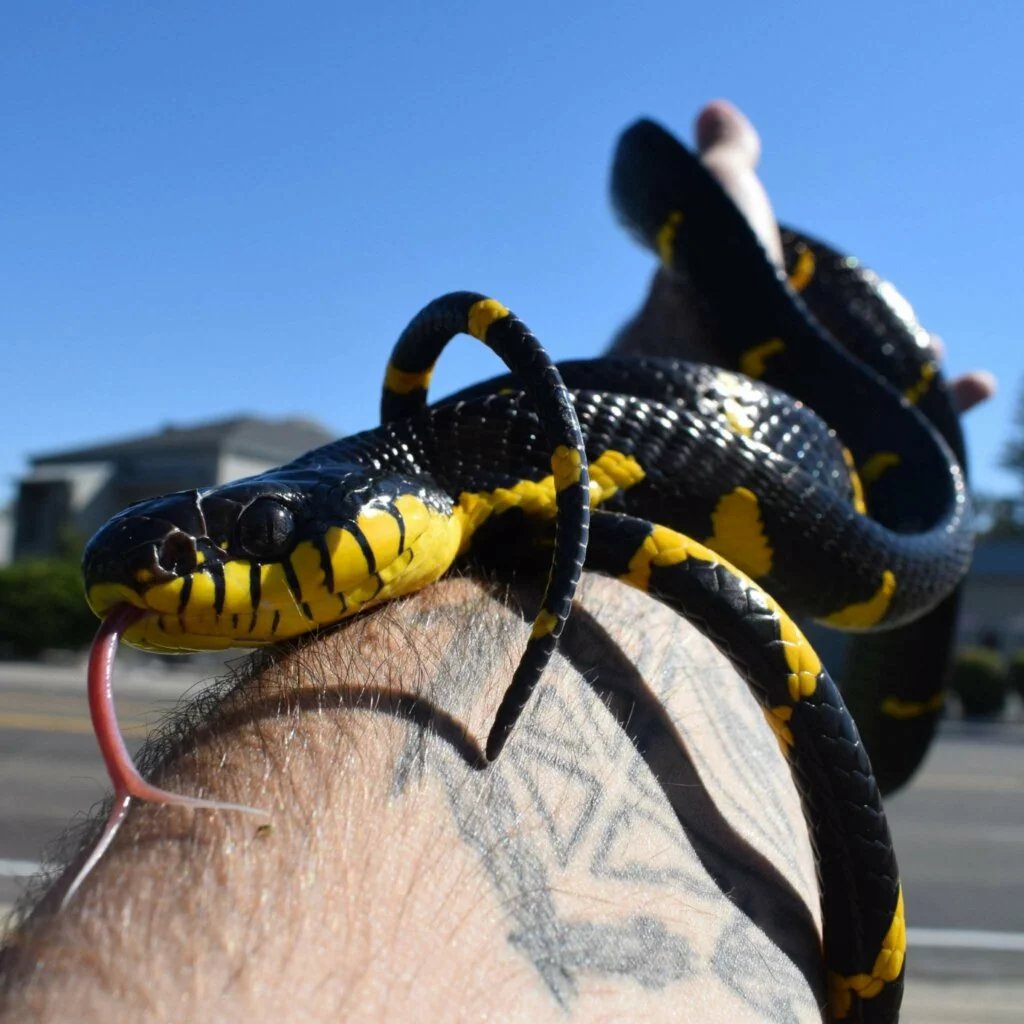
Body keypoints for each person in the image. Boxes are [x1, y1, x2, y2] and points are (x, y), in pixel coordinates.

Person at [0, 102, 993, 1023]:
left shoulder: (461, 461)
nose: (180, 566)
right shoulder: (476, 464)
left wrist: (722, 309)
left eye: (258, 532)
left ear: (394, 500)